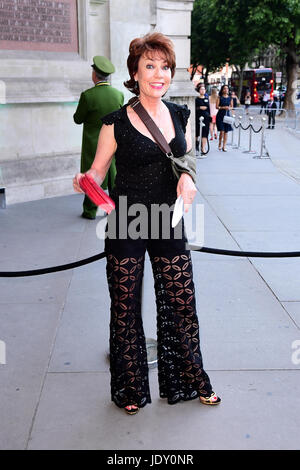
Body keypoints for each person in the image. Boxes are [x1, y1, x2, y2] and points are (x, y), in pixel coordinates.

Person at [73, 32, 221, 415]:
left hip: (167, 219)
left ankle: (192, 380)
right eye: (150, 66)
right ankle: (130, 389)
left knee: (181, 302)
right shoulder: (116, 122)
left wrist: (188, 179)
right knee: (124, 306)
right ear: (135, 74)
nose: (159, 74)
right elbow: (97, 171)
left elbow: (186, 162)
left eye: (165, 67)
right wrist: (86, 183)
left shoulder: (179, 114)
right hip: (127, 220)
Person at [73, 56, 124, 219]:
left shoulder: (88, 95)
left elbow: (77, 119)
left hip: (93, 143)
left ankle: (90, 210)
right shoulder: (118, 95)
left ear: (95, 74)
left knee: (91, 176)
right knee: (113, 175)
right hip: (114, 141)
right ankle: (113, 209)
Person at [216, 84, 233, 152]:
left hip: (227, 115)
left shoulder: (230, 98)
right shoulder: (219, 97)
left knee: (226, 132)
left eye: (227, 89)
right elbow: (217, 107)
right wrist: (223, 107)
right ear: (222, 90)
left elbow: (232, 106)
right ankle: (220, 143)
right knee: (222, 131)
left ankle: (224, 146)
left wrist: (229, 108)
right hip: (220, 115)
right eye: (224, 88)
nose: (226, 90)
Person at [195, 84, 211, 156]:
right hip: (198, 118)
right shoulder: (196, 99)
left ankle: (203, 148)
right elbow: (194, 108)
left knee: (205, 133)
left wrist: (210, 117)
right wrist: (200, 107)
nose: (203, 91)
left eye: (204, 89)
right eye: (201, 89)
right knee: (197, 132)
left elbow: (209, 109)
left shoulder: (207, 99)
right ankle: (196, 144)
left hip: (206, 118)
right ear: (198, 90)